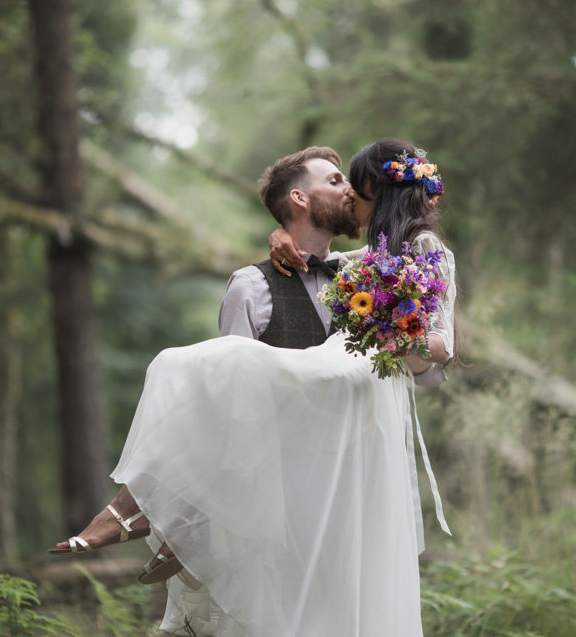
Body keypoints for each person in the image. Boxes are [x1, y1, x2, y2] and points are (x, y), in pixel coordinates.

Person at [52, 139, 456, 636]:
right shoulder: (262, 284)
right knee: (217, 364)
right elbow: (232, 408)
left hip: (352, 478)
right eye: (335, 182)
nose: (350, 192)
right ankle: (148, 505)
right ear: (300, 200)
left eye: (354, 184)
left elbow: (431, 358)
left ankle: (155, 510)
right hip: (278, 494)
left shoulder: (366, 269)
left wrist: (401, 334)